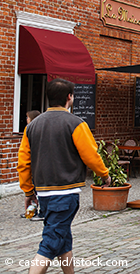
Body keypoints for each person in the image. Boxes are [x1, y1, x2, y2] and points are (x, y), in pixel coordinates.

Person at [18, 78, 111, 274]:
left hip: (43, 193)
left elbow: (24, 163)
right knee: (50, 243)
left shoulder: (32, 127)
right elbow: (91, 155)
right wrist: (105, 175)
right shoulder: (76, 123)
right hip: (66, 191)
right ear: (69, 97)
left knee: (62, 236)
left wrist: (28, 191)